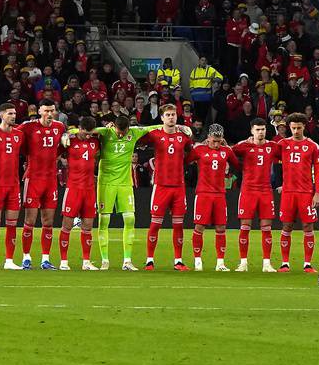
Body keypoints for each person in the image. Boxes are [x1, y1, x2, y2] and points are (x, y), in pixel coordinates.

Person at [94, 112, 154, 270]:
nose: (122, 135)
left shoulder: (133, 132)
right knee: (104, 221)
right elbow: (87, 130)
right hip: (106, 183)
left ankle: (127, 261)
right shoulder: (106, 132)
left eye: (124, 132)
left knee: (130, 220)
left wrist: (179, 127)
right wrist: (68, 133)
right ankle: (105, 261)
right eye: (119, 132)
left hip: (125, 184)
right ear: (114, 126)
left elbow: (153, 128)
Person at [142, 104, 191, 271]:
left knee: (178, 225)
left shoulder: (183, 136)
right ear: (162, 118)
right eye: (168, 115)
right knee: (155, 224)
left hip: (179, 187)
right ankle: (149, 260)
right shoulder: (154, 135)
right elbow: (137, 139)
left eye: (173, 114)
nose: (171, 117)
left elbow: (191, 154)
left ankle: (178, 260)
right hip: (161, 186)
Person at [18, 101, 66, 270]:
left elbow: (63, 145)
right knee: (29, 220)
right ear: (39, 111)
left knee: (48, 221)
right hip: (33, 178)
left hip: (51, 180)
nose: (49, 114)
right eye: (46, 111)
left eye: (52, 110)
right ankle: (26, 257)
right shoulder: (28, 127)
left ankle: (45, 259)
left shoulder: (60, 127)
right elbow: (13, 135)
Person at [275, 113, 319, 273]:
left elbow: (317, 171)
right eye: (293, 128)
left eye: (299, 128)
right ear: (289, 127)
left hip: (306, 193)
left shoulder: (312, 146)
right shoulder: (282, 144)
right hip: (288, 193)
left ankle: (307, 264)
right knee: (287, 225)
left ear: (304, 127)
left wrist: (317, 193)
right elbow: (267, 152)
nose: (296, 131)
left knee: (308, 226)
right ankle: (284, 263)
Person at [231, 119, 278, 272]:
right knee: (245, 227)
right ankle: (243, 263)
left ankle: (267, 264)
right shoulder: (243, 146)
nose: (260, 132)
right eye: (257, 130)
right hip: (248, 190)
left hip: (265, 191)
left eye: (263, 129)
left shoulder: (272, 147)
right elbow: (228, 152)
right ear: (252, 131)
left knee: (266, 228)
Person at [0, 104, 26, 270]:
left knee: (12, 224)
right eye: (10, 113)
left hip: (14, 185)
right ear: (1, 115)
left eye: (14, 113)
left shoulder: (19, 135)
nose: (13, 116)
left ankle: (9, 260)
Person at [58, 116, 102, 271]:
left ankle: (86, 262)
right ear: (80, 128)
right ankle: (63, 261)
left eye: (91, 133)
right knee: (67, 225)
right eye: (86, 132)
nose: (88, 135)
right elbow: (56, 148)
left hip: (89, 189)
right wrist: (66, 134)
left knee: (88, 226)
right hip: (73, 188)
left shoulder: (95, 142)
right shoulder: (70, 141)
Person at [188, 124, 234, 272]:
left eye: (219, 141)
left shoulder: (226, 151)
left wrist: (229, 147)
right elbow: (185, 161)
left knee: (221, 227)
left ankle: (220, 263)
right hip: (203, 194)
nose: (216, 144)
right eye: (214, 141)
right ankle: (197, 261)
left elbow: (237, 164)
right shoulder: (199, 150)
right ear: (208, 138)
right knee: (199, 227)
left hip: (220, 194)